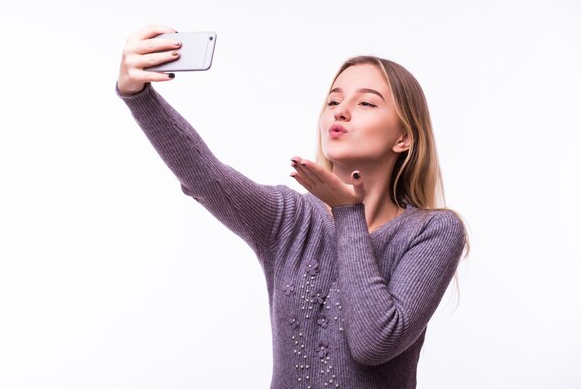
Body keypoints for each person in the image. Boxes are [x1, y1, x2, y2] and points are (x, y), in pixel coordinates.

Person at [115, 24, 470, 389]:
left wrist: (349, 213)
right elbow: (207, 177)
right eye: (333, 101)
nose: (341, 112)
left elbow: (374, 342)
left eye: (365, 102)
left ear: (404, 137)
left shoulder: (434, 231)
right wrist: (138, 96)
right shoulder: (290, 218)